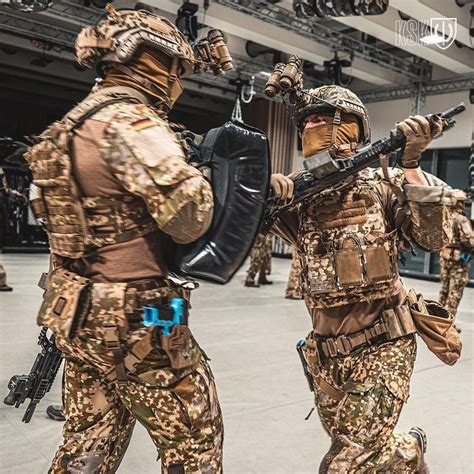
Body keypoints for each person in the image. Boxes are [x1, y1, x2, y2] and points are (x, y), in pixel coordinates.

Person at [25, 6, 225, 473]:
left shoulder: (62, 131)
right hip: (145, 314)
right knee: (194, 443)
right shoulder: (132, 121)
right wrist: (206, 179)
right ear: (153, 60)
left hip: (74, 314)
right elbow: (189, 218)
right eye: (177, 69)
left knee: (85, 447)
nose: (178, 81)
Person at [269, 84, 455, 472]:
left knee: (344, 463)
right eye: (306, 121)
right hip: (325, 355)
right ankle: (409, 451)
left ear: (349, 126)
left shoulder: (381, 187)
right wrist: (261, 197)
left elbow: (433, 238)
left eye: (321, 118)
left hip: (385, 345)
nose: (310, 126)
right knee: (361, 447)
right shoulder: (302, 197)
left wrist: (411, 165)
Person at [439, 192, 473, 328]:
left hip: (445, 256)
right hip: (459, 260)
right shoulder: (461, 219)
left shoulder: (444, 217)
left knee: (444, 290)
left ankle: (438, 321)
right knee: (455, 292)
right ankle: (448, 325)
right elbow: (469, 240)